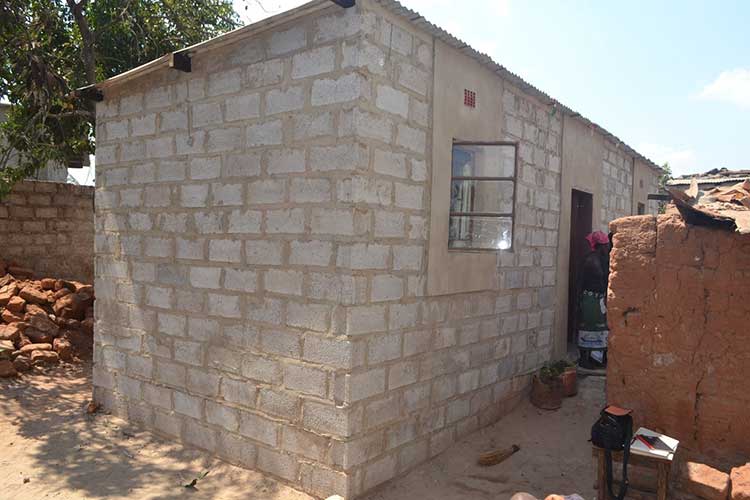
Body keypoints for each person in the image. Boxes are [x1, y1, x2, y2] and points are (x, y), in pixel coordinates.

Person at [577, 230, 610, 369]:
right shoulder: (591, 260)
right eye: (605, 245)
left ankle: (596, 359)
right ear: (600, 245)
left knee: (599, 329)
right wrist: (579, 300)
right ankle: (585, 359)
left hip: (598, 300)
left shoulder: (601, 259)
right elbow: (582, 281)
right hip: (590, 299)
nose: (607, 248)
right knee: (588, 328)